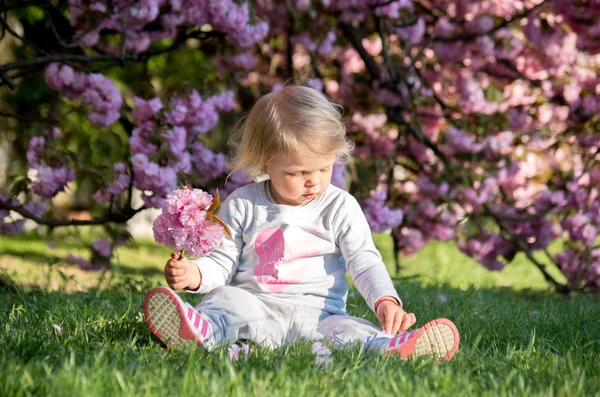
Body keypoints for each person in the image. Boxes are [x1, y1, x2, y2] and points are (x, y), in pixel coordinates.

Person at [143, 85, 460, 360]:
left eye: (324, 168)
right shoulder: (243, 203)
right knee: (228, 302)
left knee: (349, 331)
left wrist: (385, 300)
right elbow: (221, 260)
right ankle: (202, 330)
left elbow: (363, 260)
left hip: (319, 318)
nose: (313, 182)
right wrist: (195, 274)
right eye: (296, 173)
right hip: (257, 308)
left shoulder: (339, 206)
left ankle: (390, 347)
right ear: (266, 161)